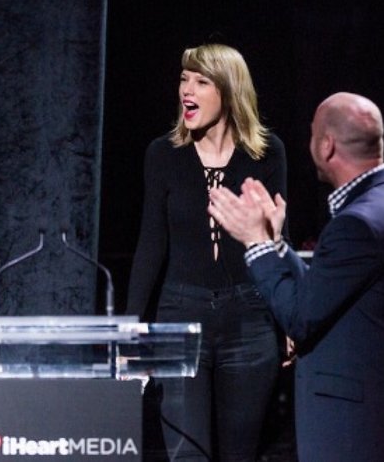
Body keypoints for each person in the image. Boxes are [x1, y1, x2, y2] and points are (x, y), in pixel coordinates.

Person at [208, 92, 384, 461]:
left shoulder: (359, 223)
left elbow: (301, 318)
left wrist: (255, 242)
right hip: (379, 419)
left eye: (312, 134)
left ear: (326, 146)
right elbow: (326, 290)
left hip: (359, 432)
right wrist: (277, 243)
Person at [125, 43, 288, 461]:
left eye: (200, 81)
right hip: (180, 317)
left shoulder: (266, 153)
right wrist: (131, 329)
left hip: (250, 320)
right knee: (187, 454)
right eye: (183, 79)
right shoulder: (163, 154)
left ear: (229, 90)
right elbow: (150, 243)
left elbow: (276, 238)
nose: (186, 90)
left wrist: (289, 318)